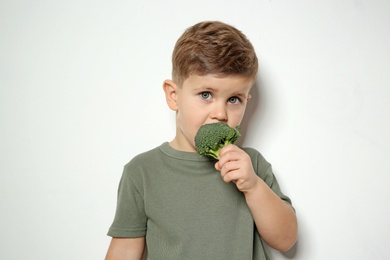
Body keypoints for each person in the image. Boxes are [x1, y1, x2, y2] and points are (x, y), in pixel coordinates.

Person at [105, 21, 298, 260]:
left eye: (234, 99)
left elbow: (286, 240)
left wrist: (254, 187)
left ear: (248, 100)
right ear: (174, 96)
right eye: (206, 95)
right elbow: (124, 251)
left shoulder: (252, 165)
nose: (221, 113)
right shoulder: (142, 172)